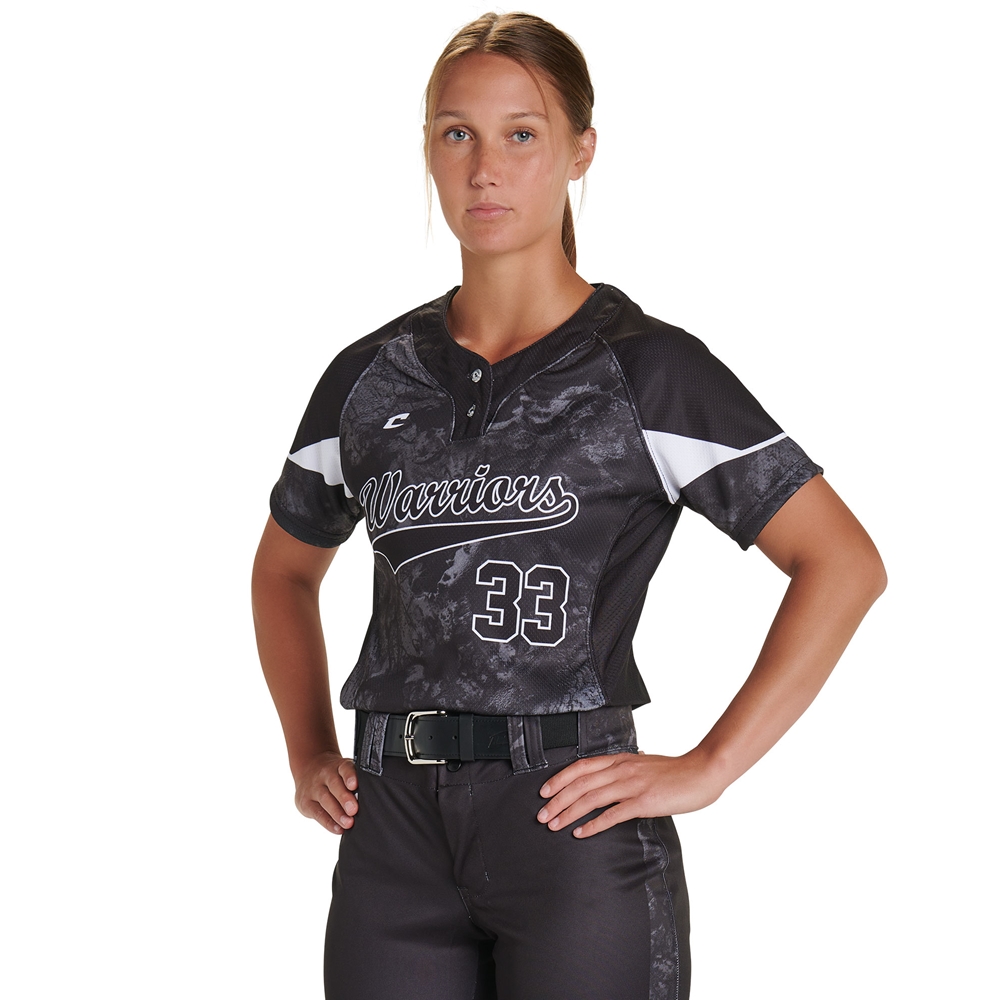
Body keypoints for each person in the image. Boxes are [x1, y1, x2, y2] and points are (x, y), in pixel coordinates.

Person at [251, 11, 886, 999]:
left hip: (569, 818)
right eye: (456, 133)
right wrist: (306, 751)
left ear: (580, 150)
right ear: (428, 149)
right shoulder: (369, 377)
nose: (484, 169)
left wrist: (711, 765)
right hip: (389, 830)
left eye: (522, 133)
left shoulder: (647, 371)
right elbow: (284, 570)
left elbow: (842, 562)